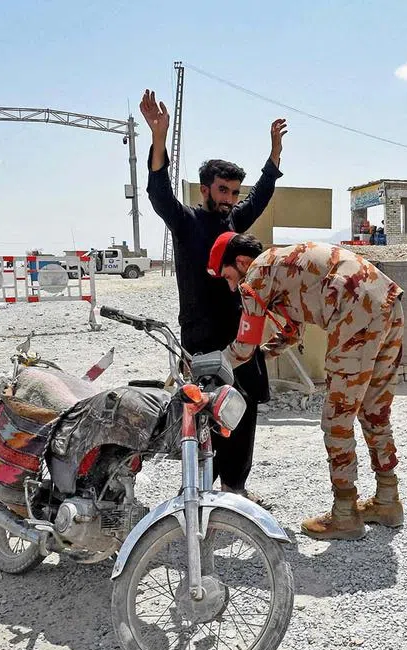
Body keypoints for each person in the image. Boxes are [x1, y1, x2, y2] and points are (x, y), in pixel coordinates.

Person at [138, 88, 287, 500]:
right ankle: (203, 491)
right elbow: (159, 194)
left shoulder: (236, 220)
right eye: (224, 190)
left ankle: (235, 489)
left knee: (245, 410)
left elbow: (262, 196)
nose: (231, 200)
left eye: (235, 192)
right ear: (205, 189)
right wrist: (158, 139)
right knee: (207, 413)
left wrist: (274, 154)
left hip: (241, 334)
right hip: (202, 336)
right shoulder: (186, 223)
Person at [211, 233, 405, 541]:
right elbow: (293, 330)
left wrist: (209, 363)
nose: (231, 286)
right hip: (387, 302)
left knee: (337, 418)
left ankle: (344, 514)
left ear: (240, 263)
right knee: (374, 410)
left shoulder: (256, 274)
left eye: (228, 276)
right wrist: (267, 351)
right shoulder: (282, 264)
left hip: (356, 311)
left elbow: (243, 348)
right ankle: (387, 500)